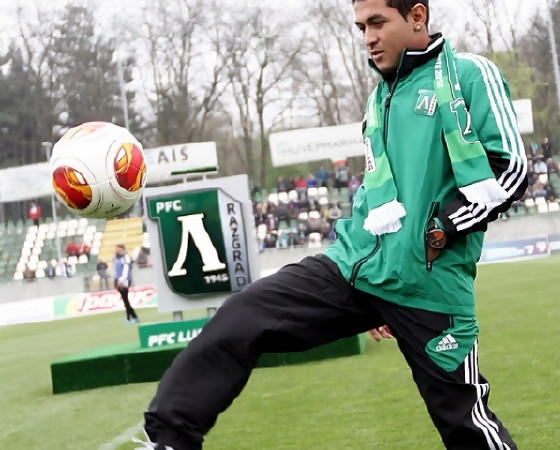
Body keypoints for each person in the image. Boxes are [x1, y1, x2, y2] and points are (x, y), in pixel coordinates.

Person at [138, 2, 526, 449]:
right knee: (241, 316)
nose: (368, 38)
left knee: (464, 424)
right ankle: (169, 440)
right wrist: (374, 280)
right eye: (361, 27)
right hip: (355, 269)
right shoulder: (379, 97)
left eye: (377, 23)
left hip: (427, 285)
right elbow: (378, 190)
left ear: (417, 16)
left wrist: (440, 229)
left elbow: (510, 170)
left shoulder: (469, 75)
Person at [113, 244, 138, 323]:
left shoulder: (125, 257)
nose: (116, 250)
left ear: (122, 249)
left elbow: (126, 269)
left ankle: (130, 318)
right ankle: (133, 317)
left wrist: (121, 279)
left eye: (118, 248)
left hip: (124, 280)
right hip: (118, 279)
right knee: (125, 300)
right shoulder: (117, 257)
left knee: (125, 299)